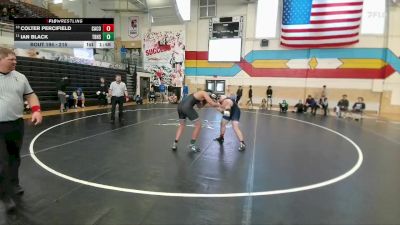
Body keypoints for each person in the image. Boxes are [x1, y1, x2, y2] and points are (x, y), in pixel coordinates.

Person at [0, 47, 43, 212]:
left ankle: (13, 183)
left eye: (16, 59)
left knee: (14, 158)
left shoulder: (20, 77)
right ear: (1, 59)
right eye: (11, 59)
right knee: (2, 161)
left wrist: (36, 110)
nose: (15, 62)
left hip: (16, 124)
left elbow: (30, 95)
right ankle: (5, 194)